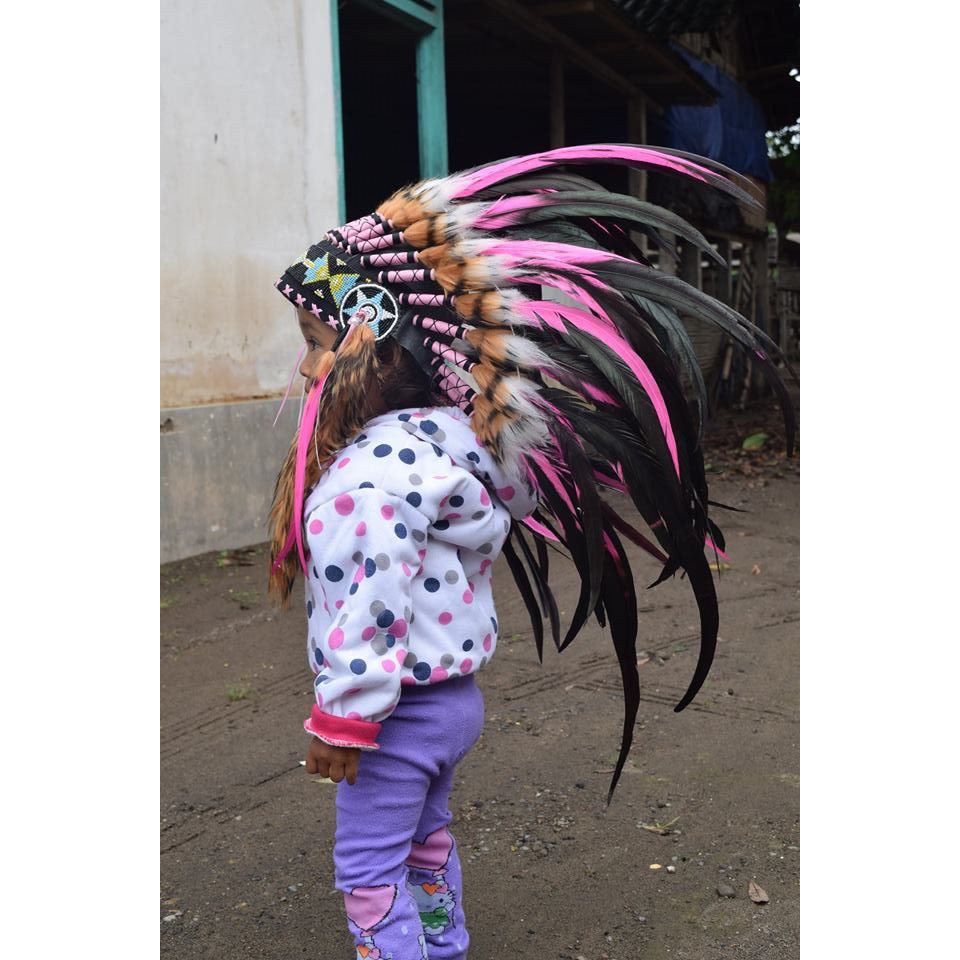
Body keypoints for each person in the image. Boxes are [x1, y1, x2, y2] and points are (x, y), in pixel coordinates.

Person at [268, 143, 794, 960]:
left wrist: (345, 718)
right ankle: (444, 945)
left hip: (396, 714)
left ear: (371, 339)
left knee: (368, 866)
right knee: (426, 841)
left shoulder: (365, 481)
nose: (305, 370)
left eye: (314, 341)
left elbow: (370, 602)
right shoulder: (453, 446)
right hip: (453, 706)